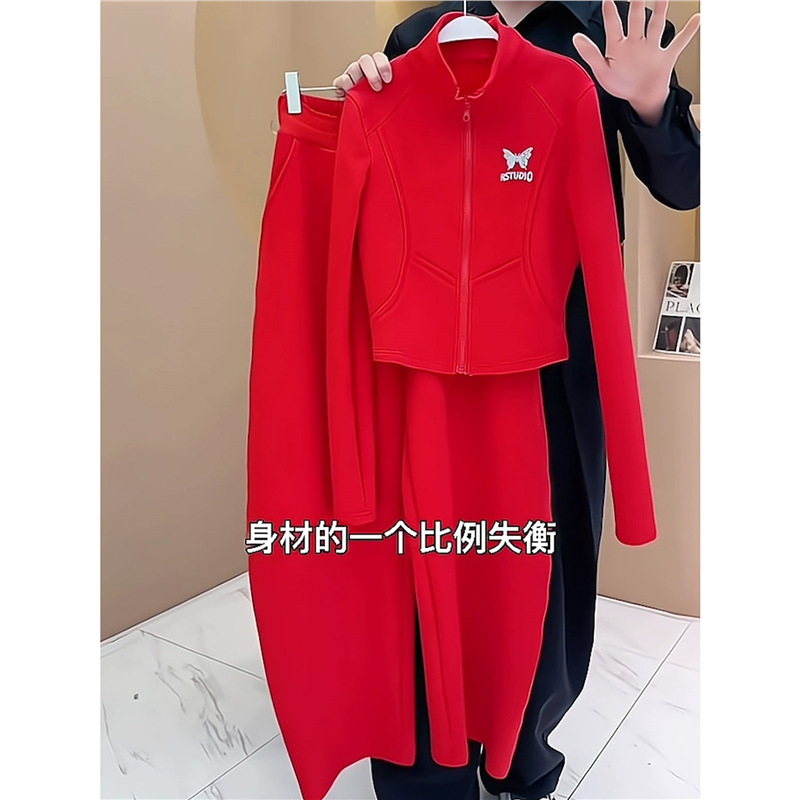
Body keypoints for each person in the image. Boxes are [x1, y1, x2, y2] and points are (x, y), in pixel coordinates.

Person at [331, 3, 700, 799]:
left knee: (550, 559)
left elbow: (686, 184)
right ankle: (427, 768)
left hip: (559, 341)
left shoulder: (613, 30)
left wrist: (649, 103)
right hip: (430, 348)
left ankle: (524, 750)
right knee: (428, 551)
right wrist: (347, 106)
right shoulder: (420, 35)